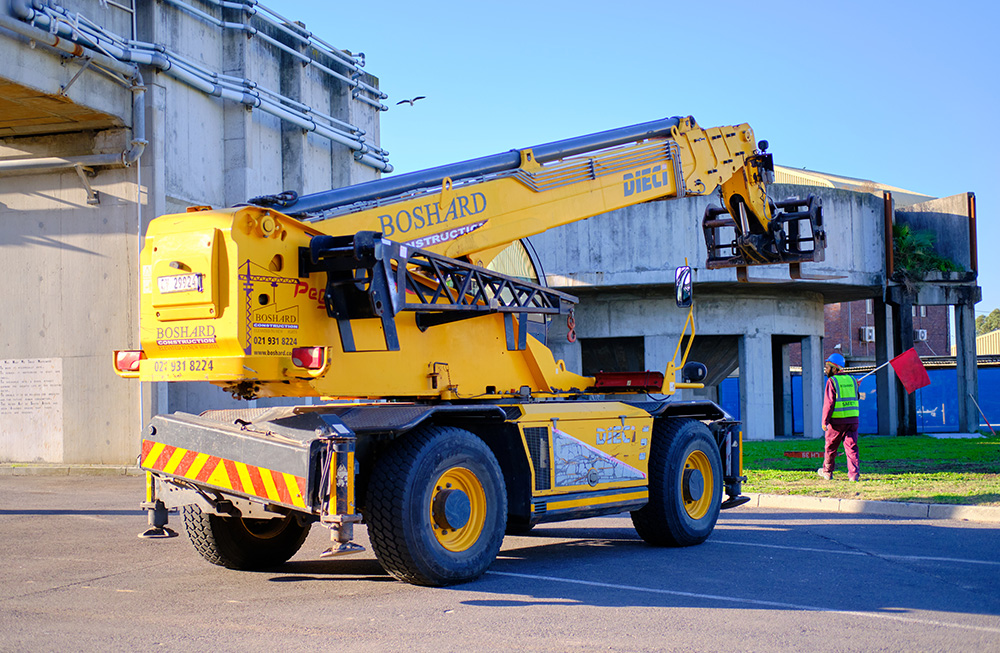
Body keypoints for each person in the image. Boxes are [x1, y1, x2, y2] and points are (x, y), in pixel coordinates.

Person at [817, 353, 861, 482]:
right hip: (852, 420)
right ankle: (853, 475)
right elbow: (856, 397)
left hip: (836, 422)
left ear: (835, 368)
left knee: (830, 448)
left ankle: (827, 472)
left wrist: (825, 421)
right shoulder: (853, 380)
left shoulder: (832, 381)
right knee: (852, 448)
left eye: (828, 366)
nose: (826, 370)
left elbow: (829, 403)